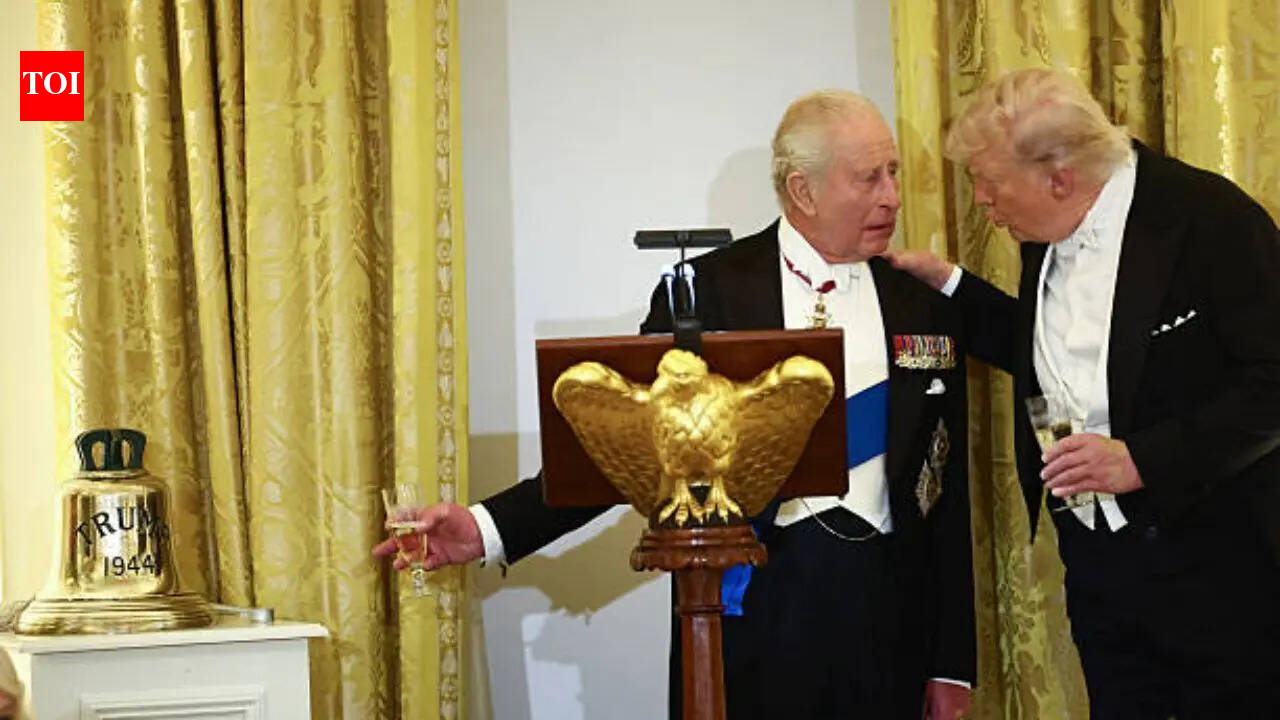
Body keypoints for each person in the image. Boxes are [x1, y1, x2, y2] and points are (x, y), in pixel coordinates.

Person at [376, 90, 976, 719]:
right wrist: (485, 527)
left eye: (893, 172)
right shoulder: (710, 292)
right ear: (803, 190)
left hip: (888, 616)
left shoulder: (922, 302)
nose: (892, 196)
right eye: (869, 178)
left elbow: (947, 493)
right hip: (748, 611)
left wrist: (950, 663)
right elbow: (623, 444)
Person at [886, 67, 1280, 719]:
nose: (982, 201)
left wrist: (1142, 460)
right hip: (1099, 564)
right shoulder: (1047, 228)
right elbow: (1058, 350)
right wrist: (953, 285)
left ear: (1058, 177)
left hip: (1219, 567)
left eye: (990, 183)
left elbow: (1272, 381)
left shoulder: (1211, 219)